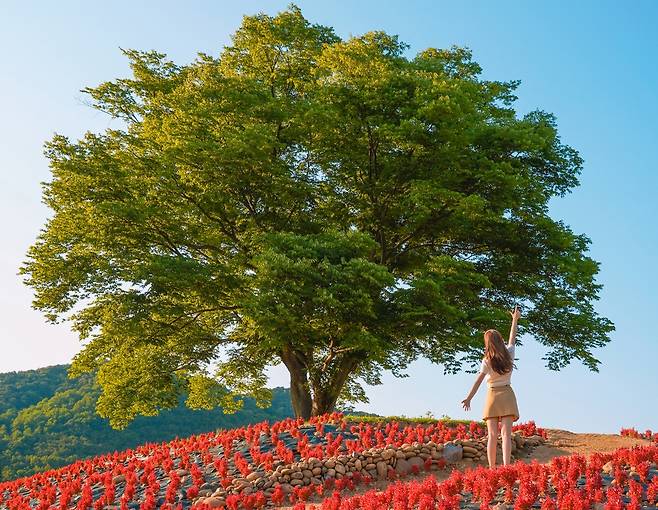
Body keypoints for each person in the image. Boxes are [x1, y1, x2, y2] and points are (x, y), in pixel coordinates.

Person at [461, 305, 521, 467]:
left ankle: (492, 468)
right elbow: (512, 337)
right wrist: (514, 320)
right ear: (500, 341)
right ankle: (507, 467)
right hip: (507, 394)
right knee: (506, 434)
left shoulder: (487, 360)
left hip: (492, 396)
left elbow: (478, 381)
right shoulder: (509, 353)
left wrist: (469, 398)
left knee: (492, 435)